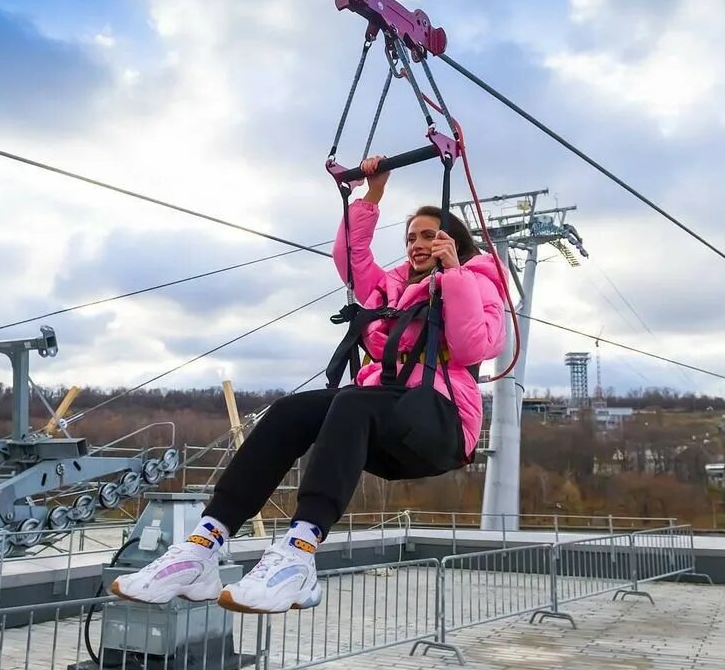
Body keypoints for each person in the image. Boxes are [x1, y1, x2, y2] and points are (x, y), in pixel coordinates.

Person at [111, 156, 508, 613]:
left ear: (452, 241)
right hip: (384, 418)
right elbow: (352, 260)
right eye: (410, 237)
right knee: (289, 412)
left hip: (438, 419)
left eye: (428, 235)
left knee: (353, 402)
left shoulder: (477, 282)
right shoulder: (391, 288)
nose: (417, 244)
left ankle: (299, 553)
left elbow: (473, 345)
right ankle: (206, 542)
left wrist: (453, 274)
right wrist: (371, 195)